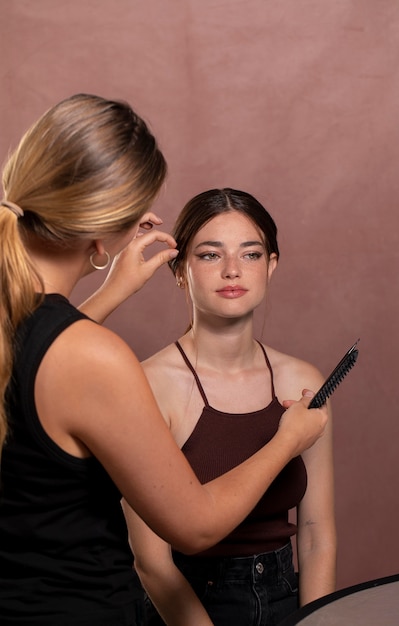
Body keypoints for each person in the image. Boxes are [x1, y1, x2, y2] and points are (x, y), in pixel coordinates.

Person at [0, 96, 327, 625]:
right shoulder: (94, 356)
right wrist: (288, 438)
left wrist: (107, 293)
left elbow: (40, 353)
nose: (231, 269)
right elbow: (194, 527)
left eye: (249, 253)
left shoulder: (23, 330)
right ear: (108, 229)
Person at [117, 189, 337, 625]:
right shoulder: (145, 386)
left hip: (286, 601)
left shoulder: (303, 381)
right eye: (211, 255)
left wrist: (315, 621)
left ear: (271, 267)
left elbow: (315, 535)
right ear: (180, 271)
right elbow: (152, 563)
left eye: (251, 254)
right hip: (185, 604)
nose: (233, 270)